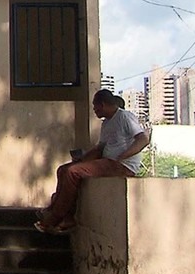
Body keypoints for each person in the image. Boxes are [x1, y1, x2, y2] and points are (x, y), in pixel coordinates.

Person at [35, 89, 149, 234]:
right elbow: (100, 148)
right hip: (107, 162)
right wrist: (81, 160)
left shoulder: (124, 117)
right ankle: (67, 217)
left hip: (121, 166)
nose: (94, 111)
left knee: (72, 172)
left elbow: (143, 139)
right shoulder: (107, 123)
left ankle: (54, 217)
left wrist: (123, 157)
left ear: (103, 105)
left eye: (96, 107)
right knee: (64, 170)